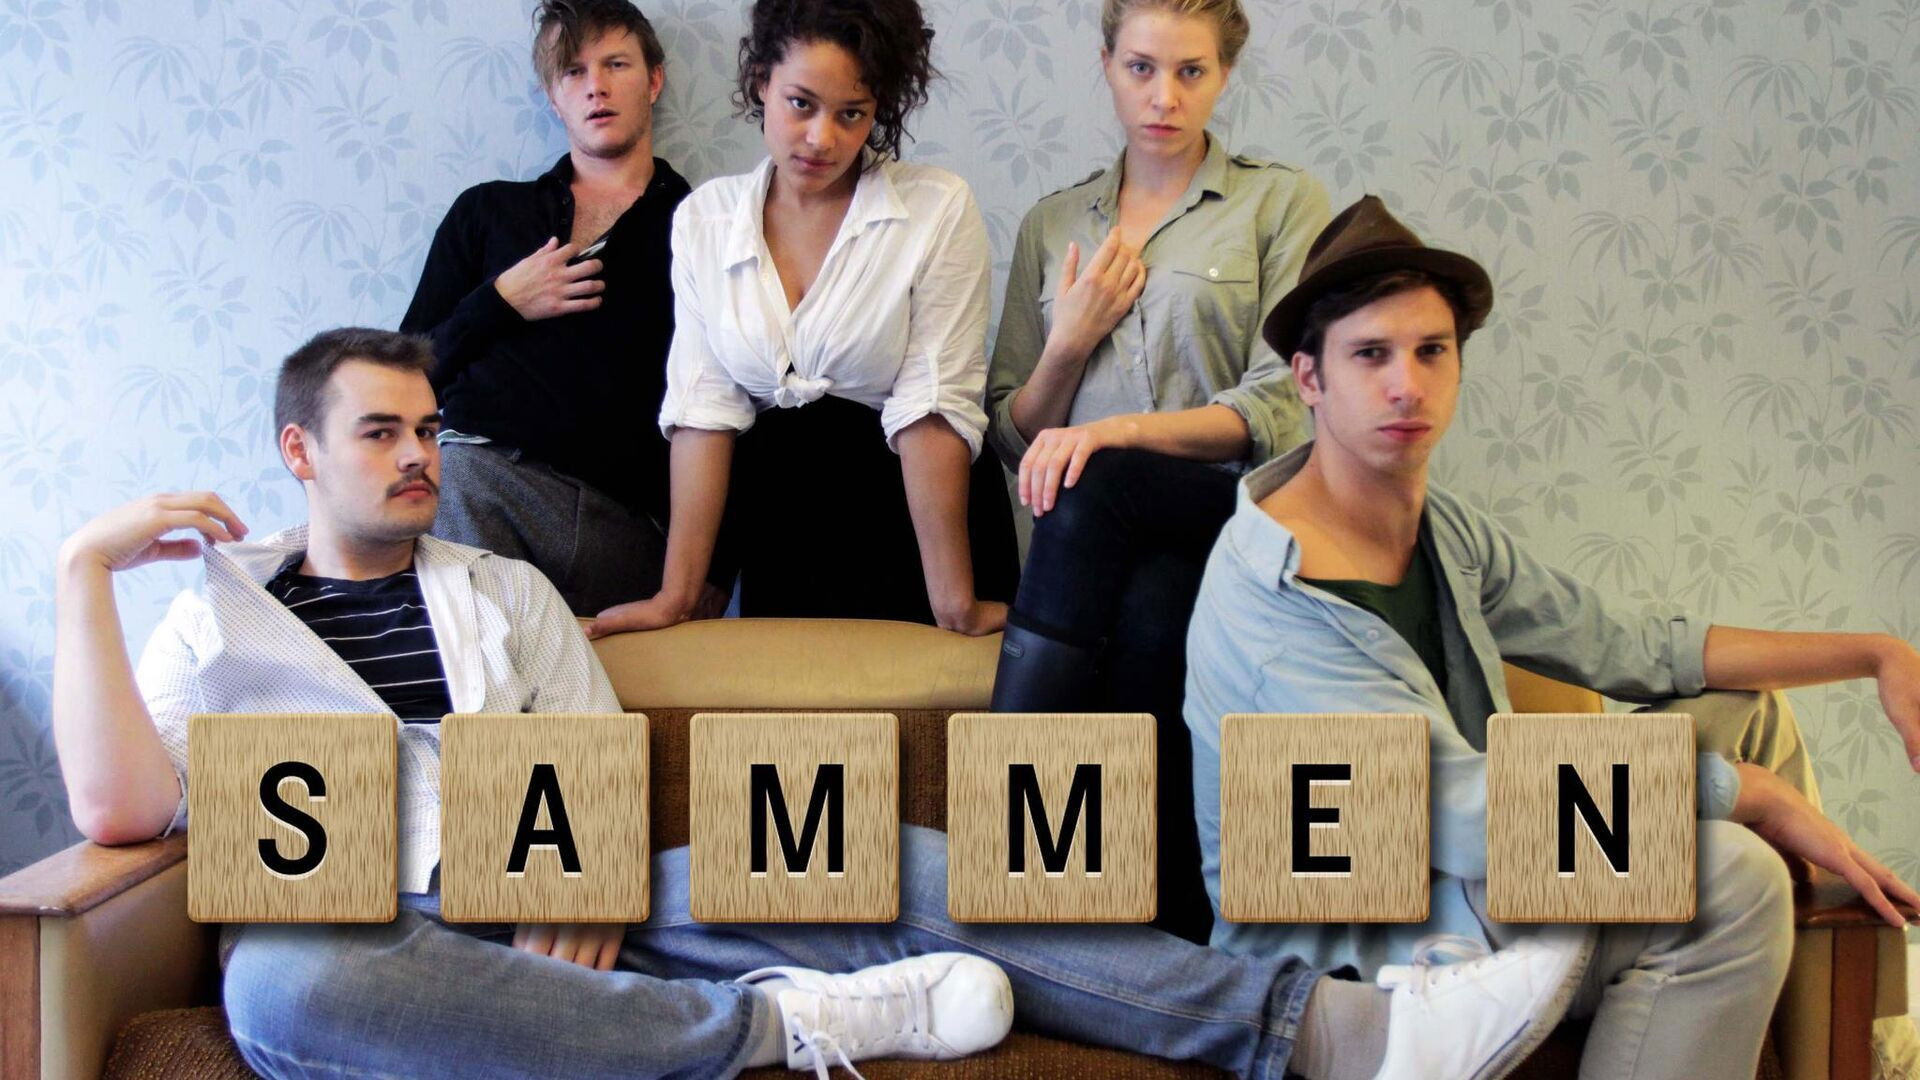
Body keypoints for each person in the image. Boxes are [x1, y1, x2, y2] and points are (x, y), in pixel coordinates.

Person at [52, 326, 1603, 1080]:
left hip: (562, 905)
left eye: (426, 430)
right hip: (365, 932)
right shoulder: (213, 622)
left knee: (905, 862)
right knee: (279, 993)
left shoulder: (501, 592)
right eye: (379, 433)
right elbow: (122, 808)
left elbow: (586, 757)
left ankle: (1334, 1033)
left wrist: (579, 880)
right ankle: (765, 1032)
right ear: (297, 452)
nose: (415, 458)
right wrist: (81, 573)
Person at [1183, 196, 1920, 1080]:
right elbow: (1460, 810)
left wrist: (1875, 654)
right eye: (1370, 355)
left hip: (1468, 858)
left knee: (1743, 712)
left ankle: (1851, 1049)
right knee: (1724, 872)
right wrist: (1742, 793)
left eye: (1431, 351)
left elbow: (1631, 647)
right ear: (1309, 378)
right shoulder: (1276, 593)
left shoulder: (1443, 531)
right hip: (1365, 933)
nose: (1406, 385)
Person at [983, 0, 1329, 942]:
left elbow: (1282, 404)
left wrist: (1116, 434)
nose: (1164, 96)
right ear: (1107, 64)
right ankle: (1159, 940)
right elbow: (1014, 435)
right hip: (1097, 552)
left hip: (1237, 518)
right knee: (1146, 609)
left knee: (1102, 475)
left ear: (1224, 75)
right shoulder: (1054, 222)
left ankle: (1011, 848)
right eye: (1141, 68)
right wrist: (1070, 342)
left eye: (1190, 72)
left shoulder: (1279, 204)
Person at [588, 0, 1016, 638]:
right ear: (762, 81)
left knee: (931, 704)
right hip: (784, 526)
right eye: (801, 104)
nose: (822, 138)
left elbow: (932, 407)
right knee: (793, 702)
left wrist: (955, 602)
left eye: (852, 114)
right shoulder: (706, 219)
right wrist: (675, 595)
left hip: (924, 523)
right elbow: (703, 409)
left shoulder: (937, 207)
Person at [399, 0, 728, 619]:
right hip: (473, 488)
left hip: (618, 521)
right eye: (573, 72)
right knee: (425, 493)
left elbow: (740, 398)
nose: (595, 86)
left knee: (454, 486)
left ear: (654, 80)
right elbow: (401, 382)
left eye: (616, 64)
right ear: (553, 97)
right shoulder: (487, 212)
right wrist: (501, 301)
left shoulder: (703, 226)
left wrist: (715, 570)